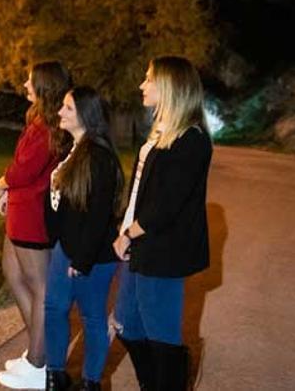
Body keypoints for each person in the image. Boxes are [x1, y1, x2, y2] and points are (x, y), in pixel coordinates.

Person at [112, 56, 213, 391]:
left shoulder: (191, 139)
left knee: (161, 333)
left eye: (149, 79)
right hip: (141, 243)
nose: (142, 85)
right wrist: (124, 227)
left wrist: (130, 233)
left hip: (163, 250)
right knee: (127, 322)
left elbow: (165, 206)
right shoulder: (160, 132)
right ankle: (155, 383)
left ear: (169, 87)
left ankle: (167, 382)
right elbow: (142, 189)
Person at [0, 62, 72, 389]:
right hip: (20, 207)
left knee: (40, 286)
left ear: (44, 87)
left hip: (32, 212)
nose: (24, 83)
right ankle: (35, 351)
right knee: (12, 272)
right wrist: (9, 191)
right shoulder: (38, 121)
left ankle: (41, 364)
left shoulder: (48, 128)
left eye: (30, 80)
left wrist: (3, 182)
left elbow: (25, 170)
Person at [41, 87, 125, 390]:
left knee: (92, 318)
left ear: (87, 115)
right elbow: (61, 203)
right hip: (66, 247)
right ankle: (55, 376)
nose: (60, 112)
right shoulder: (73, 151)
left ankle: (91, 382)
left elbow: (99, 214)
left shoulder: (99, 156)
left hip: (92, 255)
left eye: (68, 108)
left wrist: (82, 258)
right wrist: (57, 241)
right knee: (54, 308)